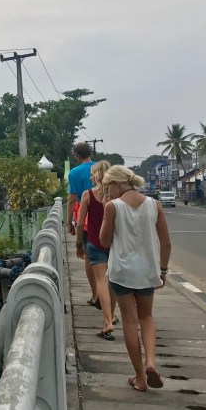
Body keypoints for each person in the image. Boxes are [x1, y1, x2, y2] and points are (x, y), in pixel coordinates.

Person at [99, 166, 171, 392]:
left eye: (107, 187)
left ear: (117, 184)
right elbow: (166, 243)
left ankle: (140, 378)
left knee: (130, 321)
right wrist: (163, 270)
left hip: (122, 272)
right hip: (147, 271)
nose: (107, 192)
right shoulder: (154, 205)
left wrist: (106, 211)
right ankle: (151, 363)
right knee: (146, 317)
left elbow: (104, 241)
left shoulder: (113, 206)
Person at [75, 161, 117, 340]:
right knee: (113, 282)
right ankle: (113, 315)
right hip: (115, 244)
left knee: (101, 281)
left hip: (95, 242)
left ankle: (107, 322)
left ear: (97, 175)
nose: (90, 177)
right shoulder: (116, 196)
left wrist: (79, 244)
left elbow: (79, 223)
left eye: (92, 174)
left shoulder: (88, 195)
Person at [67, 141, 97, 305]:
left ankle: (95, 295)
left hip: (86, 217)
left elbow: (72, 198)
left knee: (89, 255)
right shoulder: (103, 168)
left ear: (77, 156)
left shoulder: (74, 172)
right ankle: (108, 295)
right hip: (107, 212)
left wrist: (69, 222)